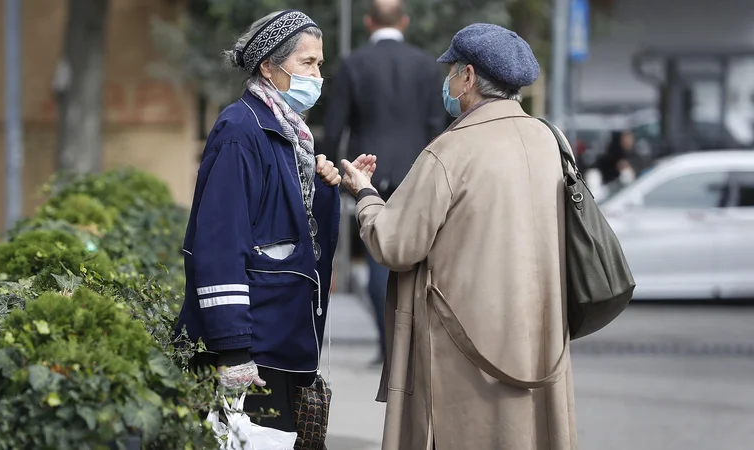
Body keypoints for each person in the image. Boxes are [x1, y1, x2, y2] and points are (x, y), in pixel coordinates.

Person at [340, 23, 577, 450]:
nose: (447, 83)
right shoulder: (548, 141)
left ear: (468, 77)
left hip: (464, 353)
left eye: (451, 72)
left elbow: (395, 245)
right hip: (538, 342)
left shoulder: (451, 150)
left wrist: (366, 194)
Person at [175, 10, 341, 433]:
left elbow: (292, 235)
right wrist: (232, 351)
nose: (317, 75)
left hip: (283, 340)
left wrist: (323, 187)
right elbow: (219, 243)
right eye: (307, 64)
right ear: (269, 66)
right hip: (253, 349)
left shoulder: (289, 132)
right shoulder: (241, 130)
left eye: (320, 64)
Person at [322, 0, 445, 366]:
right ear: (404, 22)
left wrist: (326, 170)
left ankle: (390, 348)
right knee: (420, 257)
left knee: (379, 258)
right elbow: (437, 125)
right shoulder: (426, 65)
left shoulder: (353, 63)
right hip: (417, 172)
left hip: (369, 174)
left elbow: (334, 126)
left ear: (367, 22)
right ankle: (418, 346)